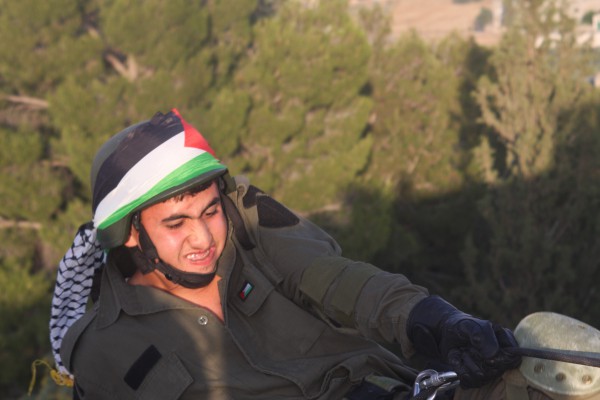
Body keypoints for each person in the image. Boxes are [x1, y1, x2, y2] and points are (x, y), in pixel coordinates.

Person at [49, 109, 552, 399]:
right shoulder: (102, 350)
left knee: (548, 373)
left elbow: (343, 282)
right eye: (176, 224)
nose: (202, 238)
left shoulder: (249, 230)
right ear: (130, 234)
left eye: (210, 211)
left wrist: (438, 321)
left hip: (392, 389)